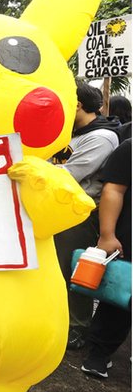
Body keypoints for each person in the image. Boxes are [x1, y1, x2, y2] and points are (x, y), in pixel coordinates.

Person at [56, 83, 122, 349]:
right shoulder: (72, 133)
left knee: (73, 268)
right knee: (57, 267)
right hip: (59, 208)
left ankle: (77, 326)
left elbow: (70, 174)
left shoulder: (101, 137)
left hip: (81, 212)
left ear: (78, 105)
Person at [81, 138, 131, 377]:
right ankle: (98, 352)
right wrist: (107, 234)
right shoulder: (130, 148)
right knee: (119, 298)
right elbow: (114, 189)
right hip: (128, 239)